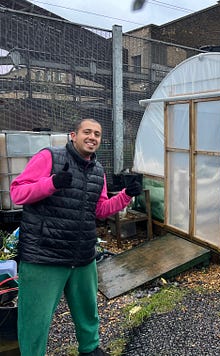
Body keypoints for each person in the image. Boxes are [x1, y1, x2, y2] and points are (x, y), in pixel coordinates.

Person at [10, 118, 142, 356]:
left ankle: (89, 349)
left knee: (87, 310)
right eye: (87, 132)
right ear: (73, 135)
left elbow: (99, 210)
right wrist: (51, 183)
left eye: (98, 134)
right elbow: (17, 192)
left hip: (82, 254)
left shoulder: (98, 170)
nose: (92, 137)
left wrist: (125, 195)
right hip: (44, 255)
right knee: (35, 317)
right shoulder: (49, 157)